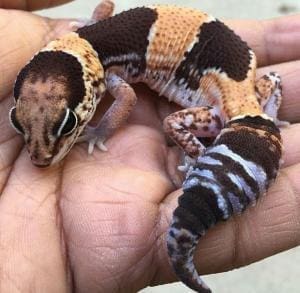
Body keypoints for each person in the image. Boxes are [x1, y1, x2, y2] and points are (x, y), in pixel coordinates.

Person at [0, 1, 299, 292]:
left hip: (221, 104)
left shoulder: (107, 71)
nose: (41, 153)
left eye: (66, 126)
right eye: (19, 122)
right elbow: (106, 6)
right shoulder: (91, 43)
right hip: (246, 84)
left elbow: (127, 97)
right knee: (269, 80)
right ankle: (265, 119)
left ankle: (203, 157)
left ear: (89, 88)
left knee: (174, 124)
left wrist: (99, 132)